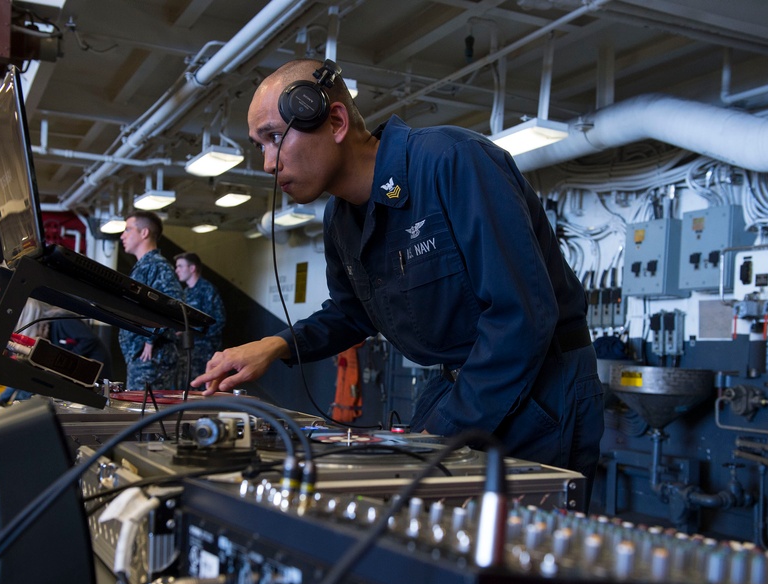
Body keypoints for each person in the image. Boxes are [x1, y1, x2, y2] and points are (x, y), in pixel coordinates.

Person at [193, 59, 603, 504]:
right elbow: (352, 313)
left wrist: (440, 431)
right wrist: (277, 345)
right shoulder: (339, 219)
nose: (269, 163)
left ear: (335, 121)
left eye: (275, 137)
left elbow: (520, 317)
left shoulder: (452, 161)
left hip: (541, 388)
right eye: (260, 146)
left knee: (521, 557)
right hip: (462, 383)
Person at [118, 210, 184, 390]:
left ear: (144, 232)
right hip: (140, 356)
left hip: (152, 358)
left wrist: (150, 337)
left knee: (147, 412)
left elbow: (174, 305)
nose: (123, 235)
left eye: (128, 229)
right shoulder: (144, 266)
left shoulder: (158, 266)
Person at [173, 252, 226, 386]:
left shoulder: (208, 290)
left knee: (203, 394)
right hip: (187, 353)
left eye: (180, 266)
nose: (176, 270)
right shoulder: (185, 293)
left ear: (192, 268)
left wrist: (192, 331)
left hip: (205, 355)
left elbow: (219, 321)